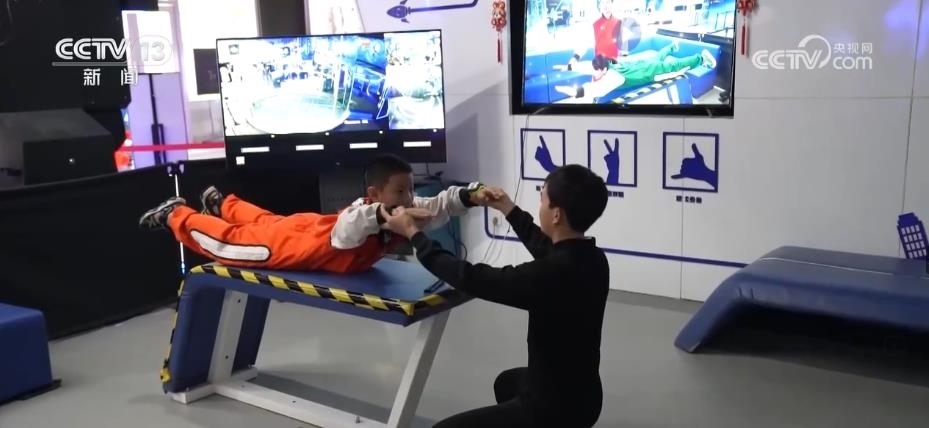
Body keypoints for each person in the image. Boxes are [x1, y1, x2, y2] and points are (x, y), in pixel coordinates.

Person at [380, 164, 610, 428]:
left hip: (552, 410)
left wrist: (414, 234)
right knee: (507, 383)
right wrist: (506, 207)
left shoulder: (549, 275)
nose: (540, 205)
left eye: (542, 199)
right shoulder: (593, 258)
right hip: (585, 395)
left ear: (556, 215)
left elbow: (471, 277)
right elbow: (546, 248)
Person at [138, 154, 490, 274]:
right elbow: (352, 227)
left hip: (309, 226)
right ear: (373, 194)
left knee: (265, 221)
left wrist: (471, 196)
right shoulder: (363, 215)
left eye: (409, 190)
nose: (409, 198)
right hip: (300, 247)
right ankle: (177, 214)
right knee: (234, 246)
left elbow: (436, 206)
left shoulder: (402, 207)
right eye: (400, 191)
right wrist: (385, 217)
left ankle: (222, 205)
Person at [556, 41, 717, 101]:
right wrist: (569, 67)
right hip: (643, 64)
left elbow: (595, 89)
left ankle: (701, 58)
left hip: (651, 73)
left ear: (604, 70)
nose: (594, 72)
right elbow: (588, 65)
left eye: (597, 71)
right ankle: (672, 46)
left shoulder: (614, 77)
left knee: (675, 66)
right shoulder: (607, 63)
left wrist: (575, 92)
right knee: (658, 57)